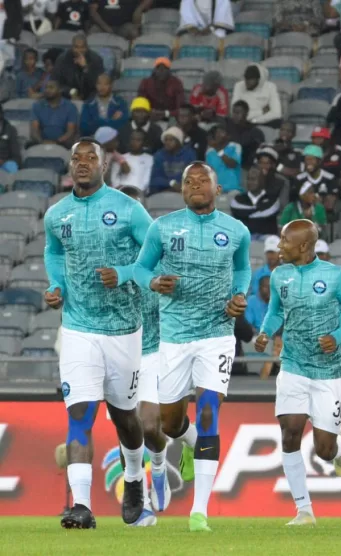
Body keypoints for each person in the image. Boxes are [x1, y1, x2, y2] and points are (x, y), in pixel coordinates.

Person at [134, 162, 252, 533]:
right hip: (174, 338)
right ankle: (185, 444)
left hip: (217, 335)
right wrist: (153, 281)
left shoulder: (236, 231)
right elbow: (139, 270)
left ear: (218, 190)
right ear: (181, 189)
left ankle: (199, 510)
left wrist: (239, 295)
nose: (195, 185)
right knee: (169, 424)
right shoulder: (162, 227)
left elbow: (244, 269)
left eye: (203, 181)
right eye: (188, 181)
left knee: (207, 412)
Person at [44, 139, 154, 529]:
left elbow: (155, 254)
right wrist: (57, 285)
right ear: (70, 166)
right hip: (78, 328)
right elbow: (54, 253)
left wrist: (124, 274)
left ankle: (136, 479)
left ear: (105, 165)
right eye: (77, 158)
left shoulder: (128, 209)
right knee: (79, 413)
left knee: (125, 417)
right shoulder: (57, 215)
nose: (83, 163)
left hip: (124, 330)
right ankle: (82, 507)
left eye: (92, 158)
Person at [254, 219, 341, 524]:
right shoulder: (279, 276)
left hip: (330, 372)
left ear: (303, 246)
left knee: (324, 451)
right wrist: (265, 333)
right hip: (293, 366)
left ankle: (339, 447)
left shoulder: (335, 276)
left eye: (285, 241)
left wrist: (338, 337)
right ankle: (304, 510)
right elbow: (275, 311)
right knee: (289, 434)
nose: (280, 246)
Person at [116, 184, 173, 522]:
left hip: (155, 349)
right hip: (119, 349)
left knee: (150, 426)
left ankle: (161, 464)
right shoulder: (103, 256)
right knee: (128, 431)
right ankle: (141, 504)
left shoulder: (159, 252)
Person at [52, 33, 105, 101]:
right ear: (72, 47)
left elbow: (99, 84)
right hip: (67, 96)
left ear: (87, 47)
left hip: (90, 96)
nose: (79, 51)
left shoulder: (96, 59)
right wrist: (72, 92)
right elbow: (55, 82)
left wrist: (85, 68)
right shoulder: (62, 59)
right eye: (76, 47)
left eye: (82, 47)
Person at [232, 167, 282, 238]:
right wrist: (259, 210)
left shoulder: (273, 198)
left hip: (266, 237)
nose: (250, 182)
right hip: (245, 238)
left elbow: (269, 212)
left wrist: (247, 216)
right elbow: (237, 211)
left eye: (253, 179)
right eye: (248, 179)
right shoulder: (238, 199)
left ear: (262, 180)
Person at [295, 145, 341, 216]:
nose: (309, 162)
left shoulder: (330, 178)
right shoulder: (299, 179)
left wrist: (310, 200)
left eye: (312, 159)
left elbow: (329, 205)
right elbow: (297, 202)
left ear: (319, 161)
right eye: (307, 159)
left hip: (324, 217)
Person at [31, 80, 78, 148]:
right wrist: (41, 142)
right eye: (46, 87)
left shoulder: (70, 107)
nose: (47, 90)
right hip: (41, 143)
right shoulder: (37, 106)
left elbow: (70, 131)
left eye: (51, 87)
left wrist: (56, 142)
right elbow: (34, 130)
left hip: (63, 144)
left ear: (59, 90)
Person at [150, 127, 197, 194]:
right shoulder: (159, 155)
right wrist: (171, 183)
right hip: (163, 193)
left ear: (179, 142)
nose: (167, 143)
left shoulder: (189, 154)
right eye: (166, 140)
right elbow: (155, 179)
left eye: (171, 140)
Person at [225, 101, 266, 169]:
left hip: (245, 166)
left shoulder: (255, 132)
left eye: (238, 113)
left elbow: (260, 151)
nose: (235, 115)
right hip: (227, 162)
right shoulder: (227, 127)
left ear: (246, 114)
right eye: (233, 112)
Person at [206, 125, 243, 194]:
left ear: (228, 135)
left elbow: (232, 164)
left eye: (221, 132)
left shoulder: (235, 146)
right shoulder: (210, 152)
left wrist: (218, 149)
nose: (218, 135)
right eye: (217, 133)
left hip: (233, 189)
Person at [0, 106, 21, 174]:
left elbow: (16, 157)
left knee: (12, 166)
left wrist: (3, 162)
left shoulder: (10, 130)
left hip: (4, 165)